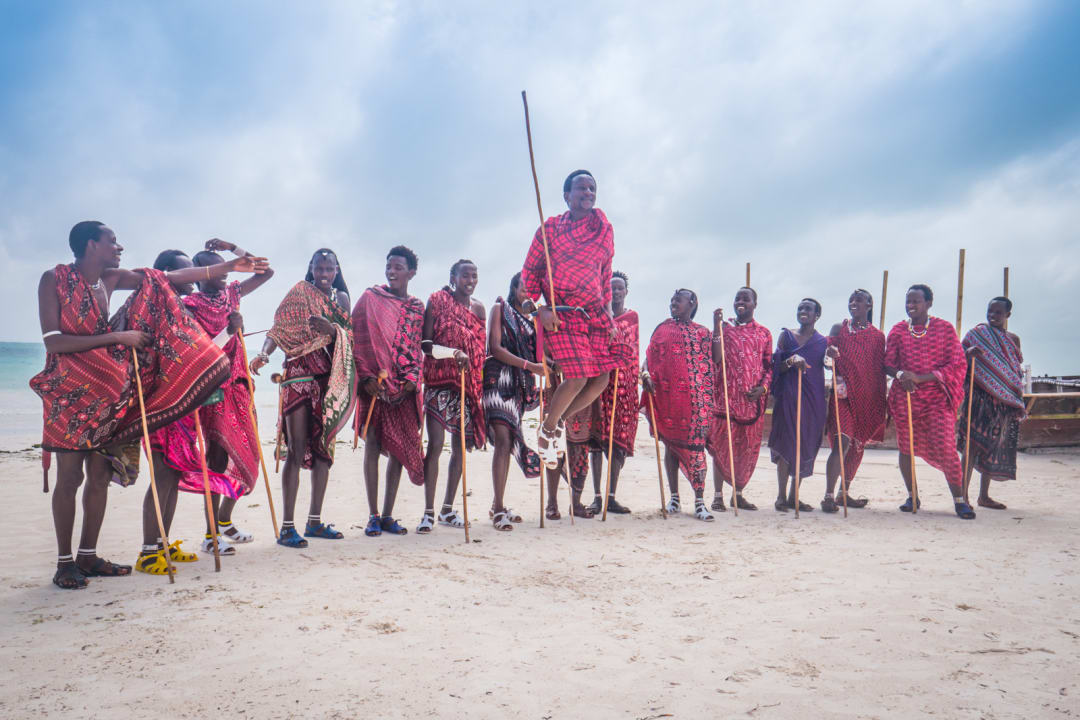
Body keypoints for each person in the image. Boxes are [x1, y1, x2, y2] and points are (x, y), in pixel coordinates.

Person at [31, 221, 266, 589]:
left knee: (98, 477)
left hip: (108, 388)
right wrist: (119, 336)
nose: (119, 246)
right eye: (112, 241)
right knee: (70, 477)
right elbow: (53, 342)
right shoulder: (53, 278)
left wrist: (223, 268)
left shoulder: (110, 278)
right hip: (68, 392)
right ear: (91, 245)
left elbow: (164, 277)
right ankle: (64, 563)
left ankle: (88, 557)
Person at [136, 242, 275, 574]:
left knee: (174, 471)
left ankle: (162, 545)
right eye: (212, 269)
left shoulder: (230, 296)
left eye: (223, 267)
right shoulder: (183, 305)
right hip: (175, 395)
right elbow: (189, 349)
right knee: (164, 476)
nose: (221, 273)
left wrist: (231, 248)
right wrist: (229, 332)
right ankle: (152, 550)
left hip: (204, 393)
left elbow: (266, 271)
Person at [250, 249, 356, 547]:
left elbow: (349, 336)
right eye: (319, 268)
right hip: (297, 376)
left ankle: (314, 521)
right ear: (311, 268)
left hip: (328, 381)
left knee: (324, 451)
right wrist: (263, 354)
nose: (324, 274)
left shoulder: (342, 300)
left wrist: (333, 331)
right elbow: (279, 330)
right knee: (296, 451)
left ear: (337, 270)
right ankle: (287, 527)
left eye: (330, 269)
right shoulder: (298, 292)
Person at [521, 170, 627, 468]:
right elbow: (528, 278)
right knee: (578, 375)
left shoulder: (604, 230)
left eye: (593, 188)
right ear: (567, 196)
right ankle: (548, 430)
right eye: (581, 188)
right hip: (561, 314)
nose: (588, 192)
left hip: (594, 316)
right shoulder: (550, 229)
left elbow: (605, 276)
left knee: (601, 379)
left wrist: (609, 317)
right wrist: (538, 311)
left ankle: (553, 424)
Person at [352, 246, 425, 537]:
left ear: (411, 272)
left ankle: (388, 515)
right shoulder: (371, 298)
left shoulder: (417, 308)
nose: (391, 271)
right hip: (374, 385)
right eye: (388, 266)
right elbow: (354, 337)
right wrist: (365, 377)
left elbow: (418, 346)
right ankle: (372, 515)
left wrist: (413, 377)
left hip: (404, 389)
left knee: (397, 451)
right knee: (371, 445)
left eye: (397, 267)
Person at [884, 284, 974, 519]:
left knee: (946, 446)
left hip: (936, 398)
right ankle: (912, 497)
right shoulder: (898, 331)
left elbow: (957, 364)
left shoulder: (944, 329)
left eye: (916, 301)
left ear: (929, 303)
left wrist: (921, 378)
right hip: (906, 398)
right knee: (906, 448)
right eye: (908, 301)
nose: (911, 306)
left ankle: (959, 499)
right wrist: (902, 375)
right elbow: (888, 364)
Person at [418, 260, 486, 533]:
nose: (470, 279)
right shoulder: (437, 300)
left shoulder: (479, 308)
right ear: (453, 277)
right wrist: (453, 353)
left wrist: (472, 366)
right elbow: (426, 346)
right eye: (465, 275)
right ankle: (428, 512)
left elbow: (481, 348)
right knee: (435, 445)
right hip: (437, 380)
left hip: (466, 384)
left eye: (474, 275)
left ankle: (447, 509)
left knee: (459, 448)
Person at [641, 289, 716, 521]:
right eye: (672, 299)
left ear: (692, 303)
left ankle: (700, 501)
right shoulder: (662, 329)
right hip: (668, 399)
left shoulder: (704, 332)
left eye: (679, 299)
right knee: (671, 447)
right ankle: (674, 498)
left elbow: (716, 359)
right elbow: (649, 357)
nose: (673, 302)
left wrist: (717, 327)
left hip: (697, 402)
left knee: (696, 449)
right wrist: (645, 375)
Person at [484, 272, 546, 531]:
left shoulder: (534, 318)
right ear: (513, 287)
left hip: (519, 385)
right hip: (498, 379)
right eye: (524, 288)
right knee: (503, 440)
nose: (528, 293)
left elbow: (540, 354)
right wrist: (528, 364)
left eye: (533, 290)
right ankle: (498, 510)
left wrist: (540, 321)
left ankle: (496, 504)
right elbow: (494, 348)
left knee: (507, 440)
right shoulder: (501, 308)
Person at [706, 287, 772, 512]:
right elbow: (714, 357)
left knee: (745, 449)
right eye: (737, 298)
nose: (740, 302)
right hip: (724, 400)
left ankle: (738, 494)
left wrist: (762, 389)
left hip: (751, 403)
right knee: (720, 447)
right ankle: (717, 496)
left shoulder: (764, 333)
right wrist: (716, 326)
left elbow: (768, 367)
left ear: (755, 304)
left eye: (746, 299)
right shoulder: (724, 329)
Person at [957, 297, 1025, 510]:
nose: (993, 316)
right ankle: (962, 497)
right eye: (990, 311)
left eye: (998, 312)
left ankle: (983, 496)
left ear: (1008, 315)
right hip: (978, 400)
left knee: (991, 448)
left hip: (1001, 404)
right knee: (971, 448)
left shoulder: (1013, 339)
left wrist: (1012, 394)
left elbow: (1013, 370)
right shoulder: (975, 335)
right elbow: (957, 361)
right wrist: (968, 354)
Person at [821, 289, 887, 512]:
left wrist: (879, 401)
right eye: (851, 300)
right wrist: (829, 353)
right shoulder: (839, 329)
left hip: (867, 396)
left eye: (859, 300)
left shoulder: (878, 337)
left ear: (869, 305)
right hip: (842, 392)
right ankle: (828, 496)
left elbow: (877, 370)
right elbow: (825, 358)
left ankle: (843, 494)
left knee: (857, 446)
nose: (853, 303)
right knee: (842, 442)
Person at [586, 271, 639, 515]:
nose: (616, 292)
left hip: (624, 385)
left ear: (626, 291)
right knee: (596, 441)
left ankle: (611, 496)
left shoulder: (633, 316)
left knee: (617, 444)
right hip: (599, 383)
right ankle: (597, 496)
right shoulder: (596, 316)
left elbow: (632, 350)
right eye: (611, 288)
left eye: (620, 288)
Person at [769, 299, 827, 513]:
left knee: (804, 444)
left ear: (817, 315)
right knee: (786, 444)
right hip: (788, 399)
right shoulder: (786, 336)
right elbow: (776, 368)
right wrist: (791, 360)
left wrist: (832, 358)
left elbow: (828, 366)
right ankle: (781, 497)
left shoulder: (822, 342)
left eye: (808, 309)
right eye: (800, 308)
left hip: (813, 401)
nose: (803, 312)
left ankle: (795, 496)